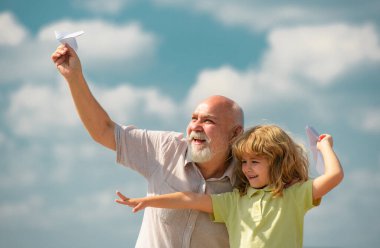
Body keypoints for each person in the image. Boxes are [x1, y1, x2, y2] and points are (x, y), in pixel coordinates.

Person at [51, 43, 244, 248]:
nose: (195, 126)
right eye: (193, 118)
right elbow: (104, 131)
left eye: (208, 121)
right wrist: (74, 77)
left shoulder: (250, 178)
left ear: (235, 133)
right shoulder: (166, 147)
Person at [115, 124, 344, 248]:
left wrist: (325, 147)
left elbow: (334, 175)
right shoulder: (235, 201)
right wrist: (148, 201)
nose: (247, 168)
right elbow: (191, 199)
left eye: (255, 161)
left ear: (277, 162)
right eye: (244, 162)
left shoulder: (294, 195)